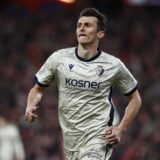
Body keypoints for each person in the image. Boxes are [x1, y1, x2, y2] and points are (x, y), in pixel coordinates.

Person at [25, 8, 142, 160]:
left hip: (99, 137)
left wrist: (121, 129)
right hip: (71, 140)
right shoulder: (59, 59)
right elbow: (38, 89)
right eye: (79, 25)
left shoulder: (113, 65)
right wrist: (29, 106)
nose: (81, 28)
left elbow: (135, 99)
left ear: (100, 34)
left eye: (88, 25)